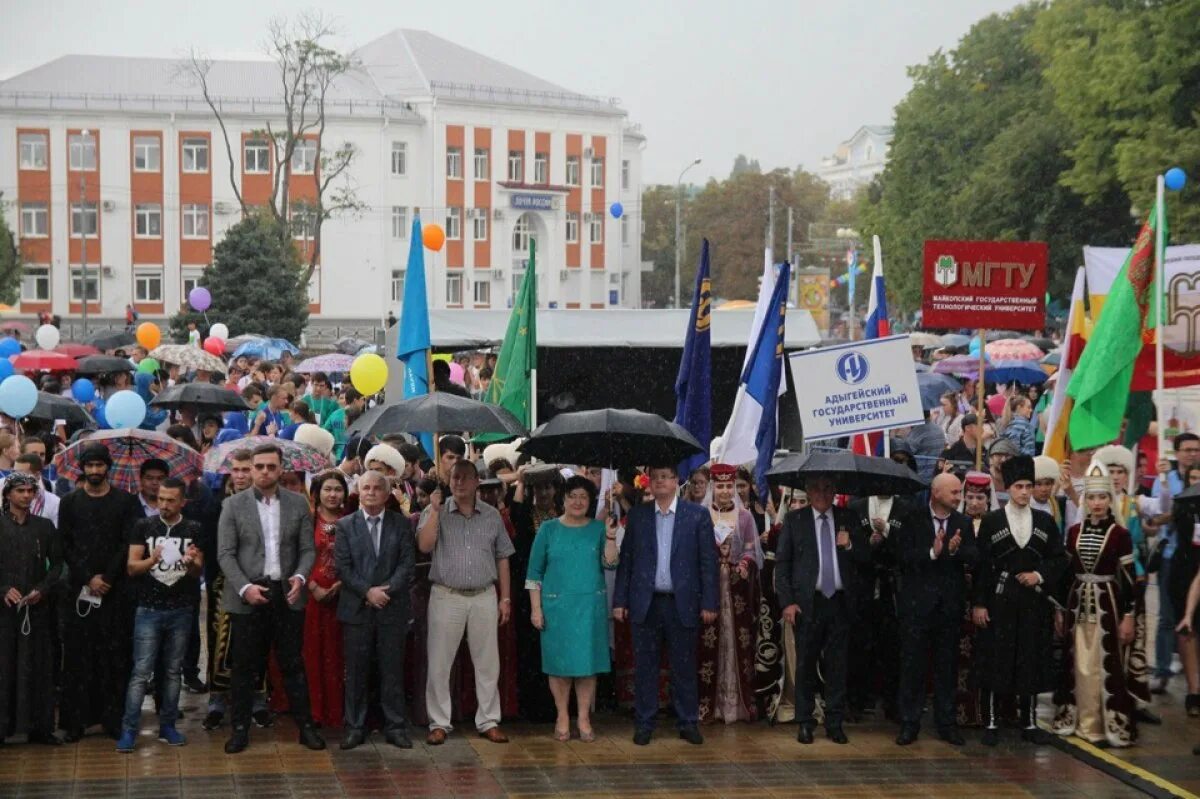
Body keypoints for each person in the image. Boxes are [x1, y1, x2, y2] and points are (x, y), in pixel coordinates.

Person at [217, 443, 324, 754]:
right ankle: (239, 729)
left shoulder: (297, 504)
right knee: (244, 667)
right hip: (248, 594)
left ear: (281, 469)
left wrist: (301, 576)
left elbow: (307, 549)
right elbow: (225, 554)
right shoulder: (233, 506)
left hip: (287, 594)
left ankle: (306, 728)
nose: (265, 472)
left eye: (271, 467)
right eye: (259, 466)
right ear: (250, 470)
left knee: (293, 664)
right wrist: (244, 588)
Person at [612, 464, 718, 746]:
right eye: (655, 477)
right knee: (645, 666)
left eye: (665, 477)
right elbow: (627, 562)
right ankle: (645, 723)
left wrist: (709, 601)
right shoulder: (638, 516)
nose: (659, 482)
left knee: (684, 666)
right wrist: (620, 600)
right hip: (646, 602)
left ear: (676, 482)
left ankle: (688, 722)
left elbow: (708, 563)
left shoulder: (697, 516)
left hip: (682, 602)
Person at [417, 459, 515, 745]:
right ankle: (439, 722)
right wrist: (434, 511)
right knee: (439, 662)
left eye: (465, 478)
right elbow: (423, 545)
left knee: (487, 663)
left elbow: (503, 557)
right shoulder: (436, 511)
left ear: (476, 483)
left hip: (484, 593)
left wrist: (505, 597)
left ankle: (488, 720)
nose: (459, 483)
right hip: (447, 595)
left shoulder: (491, 515)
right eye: (454, 478)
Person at [972, 455, 1067, 746]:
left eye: (1029, 486)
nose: (1025, 492)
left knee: (1030, 659)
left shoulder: (1046, 521)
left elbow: (1059, 559)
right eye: (1018, 486)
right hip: (1000, 600)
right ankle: (990, 721)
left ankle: (1028, 721)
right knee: (995, 659)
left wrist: (1039, 575)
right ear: (1008, 489)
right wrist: (979, 603)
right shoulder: (991, 521)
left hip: (1032, 603)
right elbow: (981, 566)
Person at [774, 475, 869, 745]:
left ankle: (835, 721)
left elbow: (866, 558)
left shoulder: (848, 518)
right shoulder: (796, 520)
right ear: (808, 491)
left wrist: (849, 545)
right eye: (816, 488)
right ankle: (805, 721)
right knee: (805, 663)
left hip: (840, 601)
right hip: (808, 603)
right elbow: (783, 565)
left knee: (838, 665)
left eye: (828, 489)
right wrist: (787, 602)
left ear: (834, 491)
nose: (822, 494)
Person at [58, 445, 143, 742]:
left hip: (116, 590)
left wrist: (106, 577)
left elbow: (129, 542)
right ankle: (76, 721)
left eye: (99, 465)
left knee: (115, 655)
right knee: (79, 657)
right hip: (80, 591)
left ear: (108, 467)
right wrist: (88, 578)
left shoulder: (126, 502)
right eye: (90, 466)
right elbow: (65, 545)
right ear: (83, 468)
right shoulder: (69, 502)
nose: (94, 471)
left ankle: (114, 719)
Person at [526, 476, 620, 741]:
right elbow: (534, 573)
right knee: (559, 666)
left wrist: (611, 538)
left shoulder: (598, 529)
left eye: (583, 497)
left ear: (590, 502)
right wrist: (536, 608)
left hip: (589, 606)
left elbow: (611, 565)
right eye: (572, 496)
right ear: (563, 498)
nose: (578, 502)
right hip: (556, 607)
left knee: (587, 666)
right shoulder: (548, 530)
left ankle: (584, 718)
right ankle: (562, 716)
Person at [1051, 461, 1138, 748]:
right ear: (1085, 500)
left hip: (1108, 605)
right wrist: (1060, 609)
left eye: (1102, 497)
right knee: (1076, 662)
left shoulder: (1121, 535)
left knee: (1105, 662)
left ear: (1109, 499)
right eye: (1091, 497)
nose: (1097, 503)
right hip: (1078, 604)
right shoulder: (1074, 531)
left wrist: (1129, 614)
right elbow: (1066, 575)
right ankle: (1077, 720)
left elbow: (1129, 578)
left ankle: (1104, 723)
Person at [116, 478, 203, 752]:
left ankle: (168, 725)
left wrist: (190, 562)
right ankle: (129, 729)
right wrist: (151, 560)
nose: (163, 504)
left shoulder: (193, 528)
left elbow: (199, 570)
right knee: (141, 671)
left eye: (170, 500)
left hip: (181, 608)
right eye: (161, 499)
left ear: (181, 502)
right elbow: (131, 567)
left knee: (172, 671)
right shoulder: (144, 526)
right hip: (148, 608)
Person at [336, 470, 416, 749]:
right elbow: (343, 567)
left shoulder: (401, 524)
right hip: (357, 609)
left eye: (376, 488)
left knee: (392, 670)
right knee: (356, 672)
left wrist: (386, 591)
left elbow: (407, 565)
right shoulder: (345, 525)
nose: (371, 492)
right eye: (366, 487)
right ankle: (355, 726)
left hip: (392, 608)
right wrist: (367, 592)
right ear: (359, 492)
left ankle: (395, 725)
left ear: (386, 493)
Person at [895, 473, 977, 746]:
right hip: (917, 607)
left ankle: (946, 722)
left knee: (947, 667)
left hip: (949, 609)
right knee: (913, 666)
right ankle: (909, 722)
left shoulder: (962, 522)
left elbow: (974, 557)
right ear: (936, 493)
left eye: (959, 492)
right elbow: (902, 557)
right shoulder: (912, 518)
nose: (958, 496)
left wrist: (954, 551)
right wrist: (932, 552)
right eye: (953, 492)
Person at [0, 473, 63, 745]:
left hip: (36, 610)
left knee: (39, 666)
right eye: (20, 491)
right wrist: (2, 589)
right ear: (8, 495)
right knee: (4, 667)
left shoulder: (44, 527)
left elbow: (58, 565)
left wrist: (42, 589)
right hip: (4, 613)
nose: (26, 495)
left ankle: (41, 726)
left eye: (30, 491)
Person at [697, 463, 761, 724]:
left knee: (737, 642)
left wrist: (744, 563)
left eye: (728, 486)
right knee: (708, 643)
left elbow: (752, 550)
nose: (724, 491)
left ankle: (737, 703)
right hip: (710, 588)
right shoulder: (701, 515)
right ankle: (708, 705)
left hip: (736, 592)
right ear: (713, 488)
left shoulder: (744, 517)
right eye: (720, 486)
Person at [846, 484, 914, 722]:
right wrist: (868, 543)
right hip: (863, 585)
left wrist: (887, 532)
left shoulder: (907, 509)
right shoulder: (856, 507)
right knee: (859, 644)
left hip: (892, 586)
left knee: (892, 647)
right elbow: (849, 545)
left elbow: (910, 547)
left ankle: (892, 703)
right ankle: (856, 701)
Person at [1151, 433, 1200, 694]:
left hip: (1197, 559)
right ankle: (1162, 669)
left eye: (1197, 449)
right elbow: (1158, 514)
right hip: (1171, 556)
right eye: (1188, 449)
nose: (1193, 453)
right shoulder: (1166, 477)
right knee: (1167, 616)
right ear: (1177, 451)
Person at [304, 471, 349, 730]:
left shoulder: (351, 520)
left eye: (338, 489)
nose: (333, 494)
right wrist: (313, 586)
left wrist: (341, 584)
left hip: (344, 596)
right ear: (317, 493)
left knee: (339, 654)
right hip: (312, 597)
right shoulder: (309, 520)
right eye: (328, 489)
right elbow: (298, 554)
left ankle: (338, 711)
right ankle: (316, 712)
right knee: (314, 653)